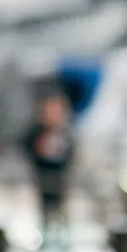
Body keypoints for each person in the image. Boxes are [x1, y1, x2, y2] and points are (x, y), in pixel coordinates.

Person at [23, 87, 75, 234]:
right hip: (42, 176)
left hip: (59, 177)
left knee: (59, 208)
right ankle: (44, 232)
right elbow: (28, 148)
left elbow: (71, 153)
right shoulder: (35, 132)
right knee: (44, 207)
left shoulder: (65, 133)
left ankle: (61, 233)